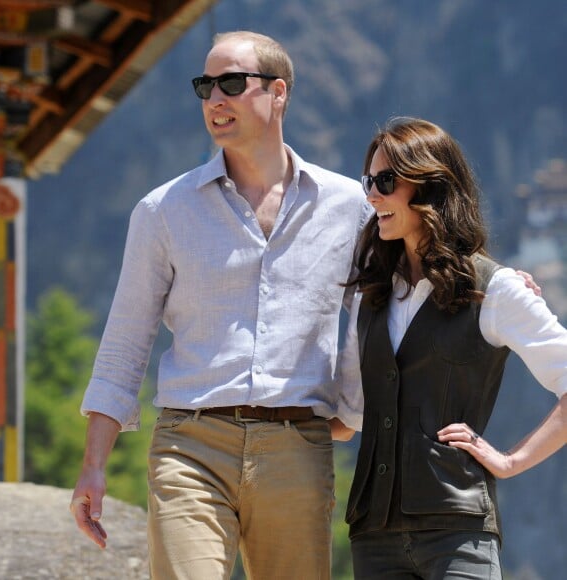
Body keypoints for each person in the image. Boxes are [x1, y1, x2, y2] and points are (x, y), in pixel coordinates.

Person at [69, 31, 372, 579]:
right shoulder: (162, 210)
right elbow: (125, 340)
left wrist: (496, 283)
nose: (215, 99)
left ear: (278, 93)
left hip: (298, 448)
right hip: (190, 445)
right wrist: (93, 465)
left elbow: (391, 300)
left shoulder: (348, 205)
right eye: (205, 85)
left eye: (232, 83)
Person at [338, 117, 567, 579]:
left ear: (430, 185)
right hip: (373, 538)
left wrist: (511, 460)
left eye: (386, 181)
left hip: (459, 534)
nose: (372, 195)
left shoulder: (496, 288)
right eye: (369, 182)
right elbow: (347, 418)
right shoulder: (370, 295)